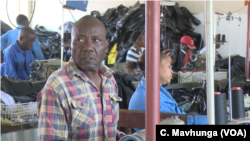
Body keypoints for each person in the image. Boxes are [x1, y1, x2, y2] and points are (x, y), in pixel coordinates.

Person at [37, 15, 124, 140]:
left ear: (106, 46)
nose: (88, 47)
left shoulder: (109, 79)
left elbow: (104, 129)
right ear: (70, 45)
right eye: (80, 40)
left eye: (96, 40)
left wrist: (122, 137)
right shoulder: (57, 86)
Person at [124, 52, 207, 133]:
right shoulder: (146, 97)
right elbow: (177, 121)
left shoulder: (155, 90)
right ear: (155, 68)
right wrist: (210, 119)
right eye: (169, 66)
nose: (171, 71)